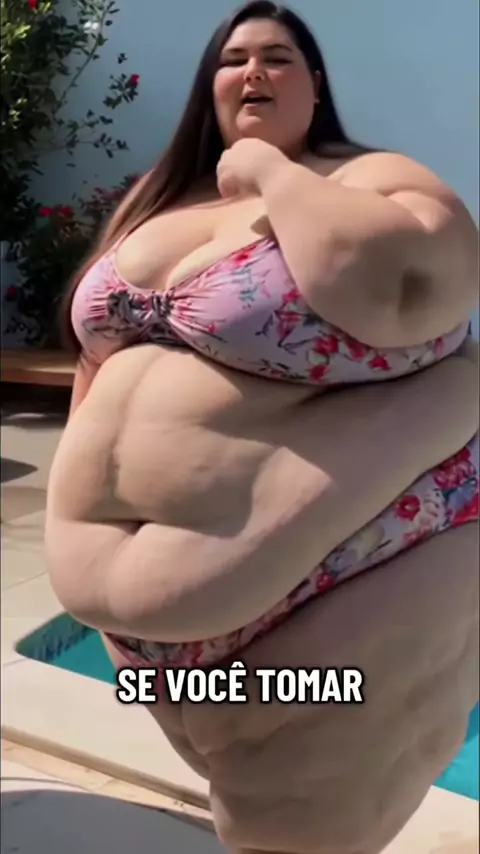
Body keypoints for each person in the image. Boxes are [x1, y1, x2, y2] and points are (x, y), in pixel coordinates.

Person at [45, 2, 479, 852]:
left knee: (292, 833)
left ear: (315, 85)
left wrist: (272, 173)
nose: (253, 71)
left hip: (330, 597)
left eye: (278, 57)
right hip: (149, 638)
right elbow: (95, 369)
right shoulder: (158, 203)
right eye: (233, 57)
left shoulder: (373, 177)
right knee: (241, 811)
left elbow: (395, 288)